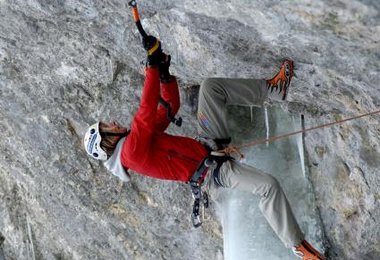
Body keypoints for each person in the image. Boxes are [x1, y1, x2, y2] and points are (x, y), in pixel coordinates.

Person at [83, 35, 325, 260]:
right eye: (107, 126)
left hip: (209, 146)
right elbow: (145, 111)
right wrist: (152, 66)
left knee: (211, 88)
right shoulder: (130, 153)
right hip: (213, 174)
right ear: (107, 140)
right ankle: (300, 249)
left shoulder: (138, 142)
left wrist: (165, 74)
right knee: (268, 186)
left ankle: (272, 89)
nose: (113, 123)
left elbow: (170, 106)